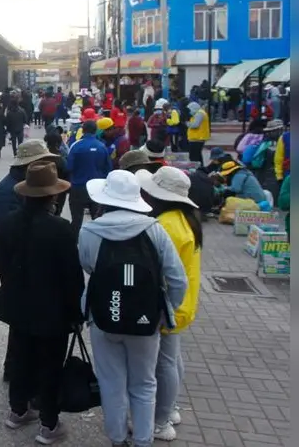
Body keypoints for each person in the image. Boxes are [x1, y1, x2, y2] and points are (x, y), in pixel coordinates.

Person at [78, 170, 188, 447]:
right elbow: (178, 279)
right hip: (146, 319)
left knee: (111, 383)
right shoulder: (155, 230)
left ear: (105, 198)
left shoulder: (90, 230)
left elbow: (88, 266)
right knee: (144, 383)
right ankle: (143, 440)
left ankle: (117, 440)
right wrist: (167, 311)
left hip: (103, 317)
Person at [0, 163, 82, 444]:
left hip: (17, 304)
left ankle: (18, 410)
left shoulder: (7, 223)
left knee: (20, 359)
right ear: (52, 197)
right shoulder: (61, 229)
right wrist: (75, 312)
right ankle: (49, 424)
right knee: (50, 365)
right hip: (51, 311)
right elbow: (72, 277)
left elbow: (4, 265)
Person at [136, 167, 203, 441]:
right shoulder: (185, 218)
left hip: (170, 305)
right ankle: (171, 407)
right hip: (183, 304)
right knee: (172, 359)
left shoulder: (166, 226)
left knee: (164, 364)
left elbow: (162, 271)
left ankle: (161, 421)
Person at [66, 120, 112, 235]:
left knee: (76, 221)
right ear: (95, 130)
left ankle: (73, 247)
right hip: (97, 189)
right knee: (97, 221)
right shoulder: (102, 147)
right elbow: (108, 169)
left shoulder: (75, 146)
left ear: (83, 130)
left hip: (78, 188)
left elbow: (69, 167)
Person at [44, 132, 71, 216]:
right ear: (58, 143)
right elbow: (67, 175)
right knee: (57, 213)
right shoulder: (62, 160)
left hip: (43, 191)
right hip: (60, 191)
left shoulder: (41, 158)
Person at [186, 101, 211, 166]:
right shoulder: (199, 113)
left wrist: (187, 123)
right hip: (197, 137)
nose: (189, 111)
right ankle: (201, 169)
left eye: (190, 109)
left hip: (197, 138)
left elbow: (195, 125)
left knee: (194, 157)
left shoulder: (199, 113)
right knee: (198, 157)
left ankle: (196, 170)